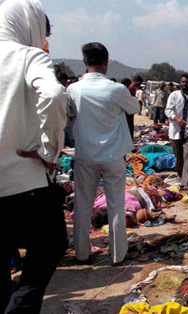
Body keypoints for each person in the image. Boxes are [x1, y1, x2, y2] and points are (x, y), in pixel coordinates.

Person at [0, 1, 68, 312]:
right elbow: (54, 95)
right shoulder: (28, 56)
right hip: (23, 183)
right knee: (51, 245)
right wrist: (49, 151)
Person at [67, 42, 139, 265]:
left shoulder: (73, 89)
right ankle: (118, 254)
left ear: (85, 62)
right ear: (106, 62)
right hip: (112, 156)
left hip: (85, 154)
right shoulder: (115, 89)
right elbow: (134, 108)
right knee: (116, 204)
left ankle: (81, 253)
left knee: (82, 204)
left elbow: (69, 116)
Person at [165, 73, 188, 188]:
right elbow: (168, 111)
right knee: (179, 158)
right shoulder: (174, 96)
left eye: (187, 82)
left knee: (187, 156)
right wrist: (177, 119)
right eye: (182, 82)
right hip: (175, 132)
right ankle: (181, 175)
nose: (184, 84)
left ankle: (186, 183)